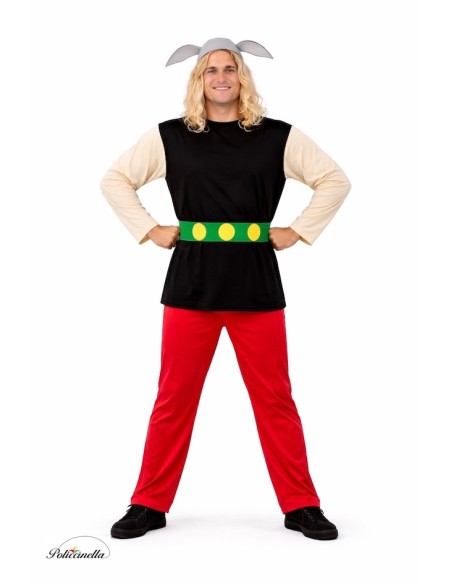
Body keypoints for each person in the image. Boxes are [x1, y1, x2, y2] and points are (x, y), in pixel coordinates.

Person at [100, 37, 351, 541]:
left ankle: (301, 504)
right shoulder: (170, 136)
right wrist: (149, 229)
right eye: (211, 70)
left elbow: (334, 180)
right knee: (173, 398)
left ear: (242, 77)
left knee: (275, 399)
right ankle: (148, 503)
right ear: (198, 79)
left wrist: (299, 230)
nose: (221, 77)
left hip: (256, 285)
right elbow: (115, 180)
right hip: (190, 285)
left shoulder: (277, 136)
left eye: (230, 69)